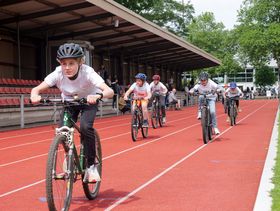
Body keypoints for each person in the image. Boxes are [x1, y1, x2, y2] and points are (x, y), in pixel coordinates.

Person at [30, 43, 114, 183]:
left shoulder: (88, 72)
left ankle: (91, 166)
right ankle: (69, 156)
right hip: (69, 103)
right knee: (62, 131)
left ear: (80, 62)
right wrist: (34, 95)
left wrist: (98, 96)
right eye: (64, 63)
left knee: (86, 127)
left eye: (71, 63)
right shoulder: (57, 73)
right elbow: (36, 89)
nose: (67, 67)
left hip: (89, 102)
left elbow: (109, 91)